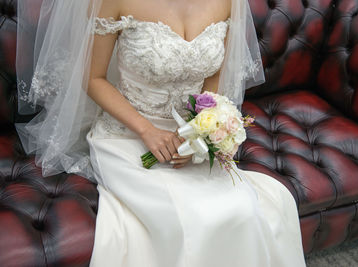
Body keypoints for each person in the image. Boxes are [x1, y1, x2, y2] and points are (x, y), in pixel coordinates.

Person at [16, 0, 306, 266]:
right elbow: (93, 79)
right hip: (127, 134)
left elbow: (213, 79)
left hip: (186, 138)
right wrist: (147, 131)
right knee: (188, 219)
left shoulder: (227, 2)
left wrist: (196, 131)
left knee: (243, 209)